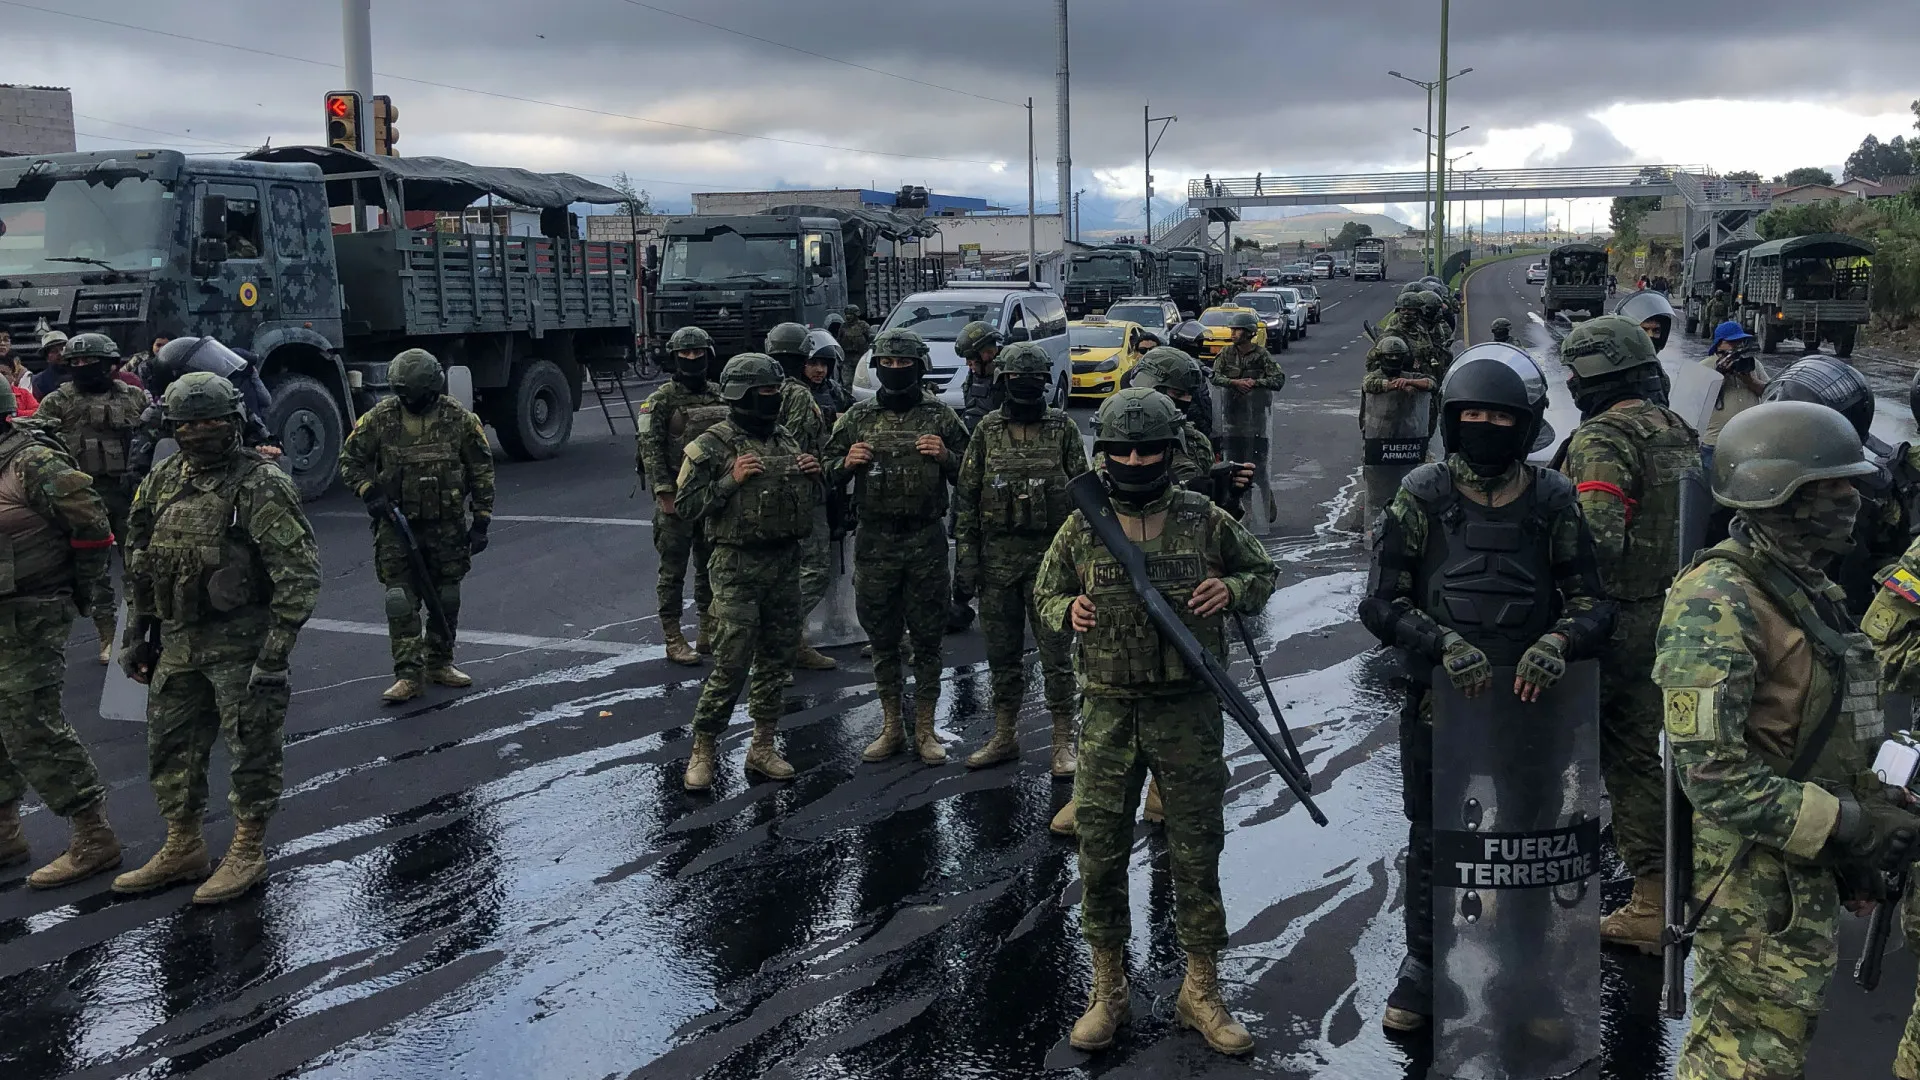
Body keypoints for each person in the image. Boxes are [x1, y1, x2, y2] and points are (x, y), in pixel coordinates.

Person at [1357, 353, 1615, 1031]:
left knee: (1528, 840)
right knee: (1434, 837)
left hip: (1532, 702)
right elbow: (1381, 604)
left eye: (1501, 416)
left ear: (1524, 424)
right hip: (1442, 703)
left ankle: (1523, 973)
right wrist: (1442, 644)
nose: (1486, 426)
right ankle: (1422, 965)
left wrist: (1558, 642)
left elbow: (1594, 604)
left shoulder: (1554, 498)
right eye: (1473, 414)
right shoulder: (1422, 495)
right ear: (1451, 419)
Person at [1654, 400, 1906, 1080]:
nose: (1853, 499)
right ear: (1778, 492)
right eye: (1833, 488)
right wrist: (1850, 823)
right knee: (1746, 1060)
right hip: (1751, 886)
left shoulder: (1804, 586)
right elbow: (1710, 775)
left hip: (1798, 868)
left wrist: (1864, 829)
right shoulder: (1719, 599)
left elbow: (1815, 733)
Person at [1034, 387, 1277, 1057]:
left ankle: (1201, 988)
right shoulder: (1082, 524)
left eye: (1149, 449)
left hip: (1187, 710)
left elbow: (1263, 569)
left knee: (1198, 850)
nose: (1136, 459)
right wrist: (1066, 613)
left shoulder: (1203, 517)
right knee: (1101, 852)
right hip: (1110, 711)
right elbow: (1046, 590)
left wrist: (1231, 589)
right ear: (1104, 454)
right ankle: (1106, 988)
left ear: (1172, 452)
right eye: (1122, 450)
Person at [112, 373, 320, 904]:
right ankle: (183, 846)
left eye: (211, 421)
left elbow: (297, 575)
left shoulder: (259, 483)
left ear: (234, 423)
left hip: (242, 646)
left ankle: (247, 849)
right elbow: (138, 558)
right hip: (178, 642)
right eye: (188, 423)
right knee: (170, 748)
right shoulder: (161, 479)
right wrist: (136, 635)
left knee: (251, 751)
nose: (199, 432)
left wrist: (274, 657)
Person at [1555, 315, 1702, 952]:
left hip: (1618, 621)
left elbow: (1597, 540)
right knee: (1656, 754)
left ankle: (1646, 899)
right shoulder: (1674, 429)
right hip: (1675, 613)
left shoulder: (1604, 437)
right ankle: (1669, 884)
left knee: (1620, 758)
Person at [675, 354, 822, 791]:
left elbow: (803, 500)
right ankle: (703, 749)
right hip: (736, 566)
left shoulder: (786, 439)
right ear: (741, 394)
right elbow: (685, 506)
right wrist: (729, 481)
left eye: (776, 392)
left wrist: (816, 476)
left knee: (776, 661)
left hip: (784, 563)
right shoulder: (713, 444)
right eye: (765, 393)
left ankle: (763, 746)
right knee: (732, 662)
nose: (773, 400)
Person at [825, 328, 969, 765]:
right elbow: (824, 472)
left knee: (927, 641)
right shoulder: (857, 417)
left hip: (925, 541)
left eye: (904, 364)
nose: (895, 371)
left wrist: (946, 457)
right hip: (875, 541)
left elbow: (973, 473)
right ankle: (891, 726)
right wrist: (846, 464)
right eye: (886, 364)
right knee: (883, 639)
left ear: (919, 367)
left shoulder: (941, 417)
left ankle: (924, 729)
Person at [0, 377, 123, 889]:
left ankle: (93, 835)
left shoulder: (33, 463)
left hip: (30, 609)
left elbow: (93, 527)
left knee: (31, 723)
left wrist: (85, 595)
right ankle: (5, 831)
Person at [954, 341, 1087, 774]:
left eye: (1033, 380)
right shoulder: (987, 431)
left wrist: (1083, 566)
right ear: (1002, 381)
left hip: (1051, 567)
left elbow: (1085, 501)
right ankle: (1004, 733)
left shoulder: (1063, 429)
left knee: (1057, 656)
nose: (1025, 387)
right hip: (997, 566)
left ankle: (1064, 740)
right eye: (1015, 379)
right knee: (1002, 654)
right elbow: (968, 500)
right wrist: (967, 564)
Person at [338, 349, 496, 704]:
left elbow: (481, 469)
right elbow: (350, 460)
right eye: (402, 393)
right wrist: (369, 492)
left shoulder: (459, 419)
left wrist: (481, 520)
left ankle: (440, 662)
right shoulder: (380, 419)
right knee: (399, 600)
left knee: (447, 597)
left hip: (447, 527)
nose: (408, 400)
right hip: (397, 526)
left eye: (414, 394)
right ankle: (408, 675)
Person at [1761, 356, 1914, 616]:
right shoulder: (1756, 480)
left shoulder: (1874, 491)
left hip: (1843, 619)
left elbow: (1892, 557)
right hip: (1778, 614)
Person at [31, 332, 151, 663]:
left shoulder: (134, 397)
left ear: (109, 364)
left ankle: (139, 630)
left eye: (89, 362)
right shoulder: (59, 401)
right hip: (83, 495)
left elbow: (156, 434)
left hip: (129, 493)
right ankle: (107, 635)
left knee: (140, 564)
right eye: (76, 363)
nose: (82, 367)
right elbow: (37, 442)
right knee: (97, 573)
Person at [637, 326, 726, 666]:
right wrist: (664, 492)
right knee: (672, 571)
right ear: (674, 358)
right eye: (685, 355)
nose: (692, 360)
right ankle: (673, 637)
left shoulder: (720, 396)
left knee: (710, 566)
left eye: (698, 354)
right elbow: (650, 449)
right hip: (676, 495)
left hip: (712, 495)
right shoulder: (660, 400)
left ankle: (707, 630)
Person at [763, 323, 837, 672]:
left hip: (767, 495)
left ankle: (792, 642)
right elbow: (799, 445)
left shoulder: (761, 388)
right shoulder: (799, 396)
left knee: (783, 571)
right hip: (801, 493)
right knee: (815, 570)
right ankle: (777, 640)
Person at [1209, 311, 1284, 521]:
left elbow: (1278, 380)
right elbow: (1214, 376)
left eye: (1238, 330)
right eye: (1232, 329)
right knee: (1235, 467)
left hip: (1257, 421)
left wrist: (1254, 384)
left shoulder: (1262, 355)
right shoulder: (1226, 354)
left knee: (1258, 467)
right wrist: (1234, 383)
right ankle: (1247, 510)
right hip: (1231, 420)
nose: (1233, 333)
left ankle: (1267, 501)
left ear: (1249, 333)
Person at [1700, 321, 1769, 465]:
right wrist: (1720, 375)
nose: (1736, 347)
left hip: (1749, 441)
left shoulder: (1752, 364)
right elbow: (1699, 401)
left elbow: (1769, 391)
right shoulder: (1705, 367)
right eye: (1732, 343)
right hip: (1715, 442)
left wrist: (1749, 380)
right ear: (1719, 343)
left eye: (1740, 342)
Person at [837, 305, 873, 390]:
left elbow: (871, 338)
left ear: (856, 315)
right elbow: (839, 341)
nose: (848, 316)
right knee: (847, 383)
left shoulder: (863, 326)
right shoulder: (843, 327)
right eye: (847, 314)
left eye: (850, 314)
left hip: (861, 358)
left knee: (862, 382)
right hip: (847, 359)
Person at [30, 331, 69, 399]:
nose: (60, 353)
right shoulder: (39, 381)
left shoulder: (80, 373)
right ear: (47, 357)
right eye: (54, 351)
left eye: (63, 349)